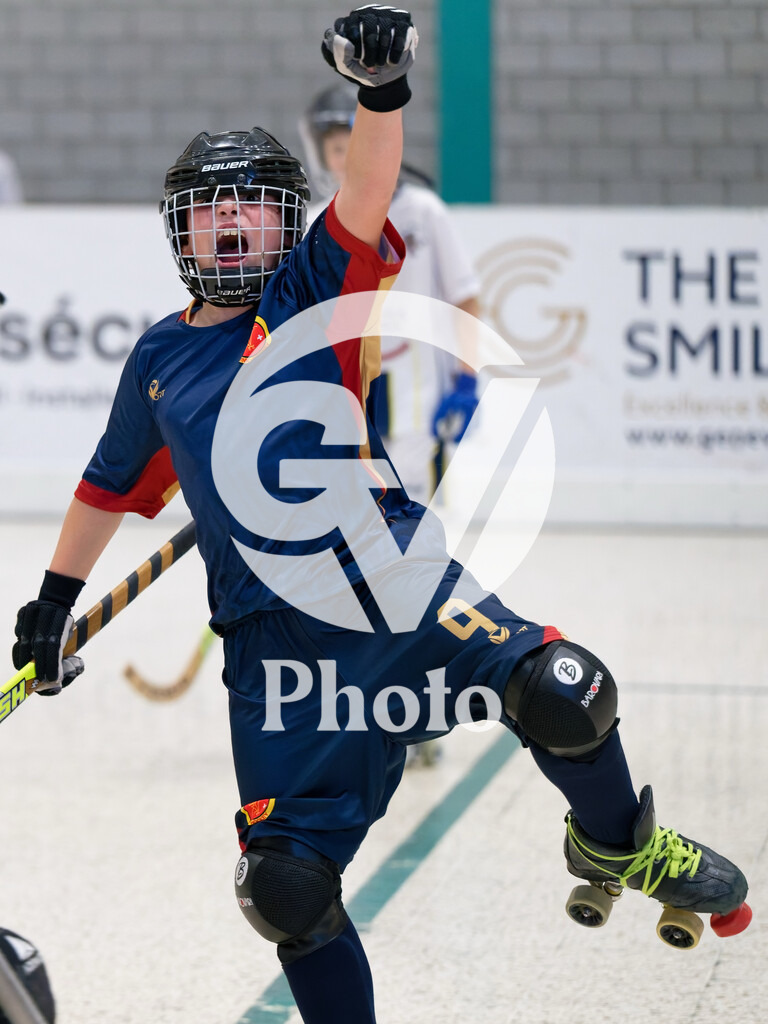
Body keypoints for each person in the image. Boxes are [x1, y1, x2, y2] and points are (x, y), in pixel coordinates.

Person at [10, 8, 749, 1024]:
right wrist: (51, 605)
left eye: (253, 208)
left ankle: (622, 842)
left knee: (567, 691)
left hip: (394, 583)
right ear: (180, 231)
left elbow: (366, 190)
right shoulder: (158, 360)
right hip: (276, 650)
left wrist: (380, 89)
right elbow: (107, 485)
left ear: (286, 221)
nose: (232, 225)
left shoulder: (315, 290)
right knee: (285, 889)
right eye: (210, 212)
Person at [300, 80, 482, 767]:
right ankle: (352, 698)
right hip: (346, 407)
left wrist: (466, 380)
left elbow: (465, 299)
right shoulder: (319, 217)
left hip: (413, 409)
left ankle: (420, 705)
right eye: (334, 147)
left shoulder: (424, 213)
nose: (344, 157)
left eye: (353, 143)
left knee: (410, 560)